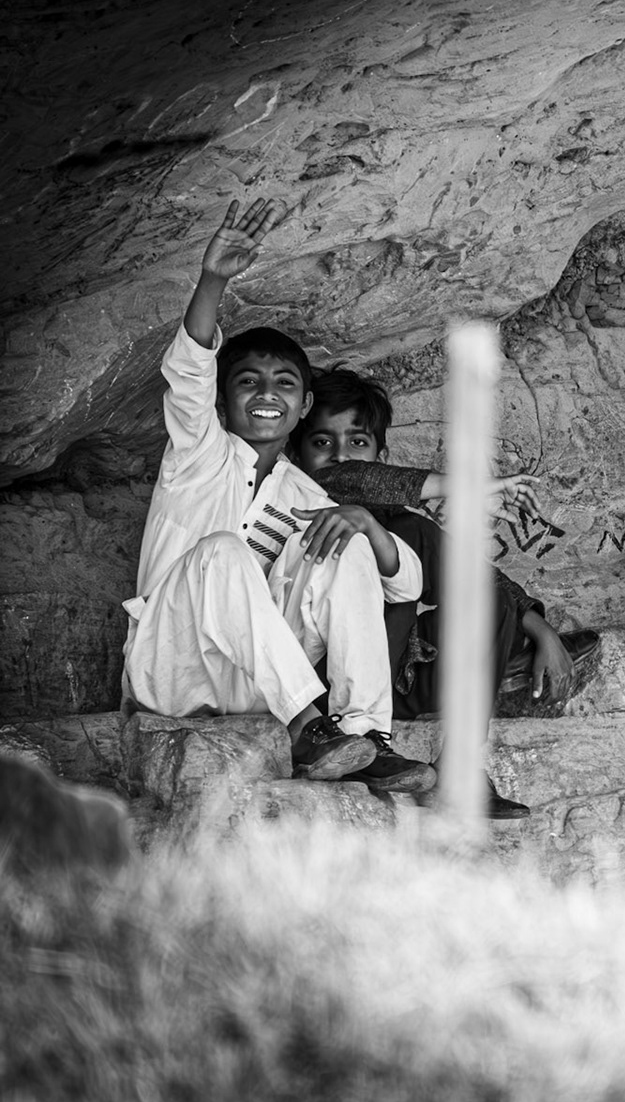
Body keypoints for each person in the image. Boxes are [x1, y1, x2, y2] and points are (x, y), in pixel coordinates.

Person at [120, 199, 435, 792]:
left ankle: (365, 736)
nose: (267, 394)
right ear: (224, 400)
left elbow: (406, 587)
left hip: (255, 683)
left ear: (304, 404)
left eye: (284, 384)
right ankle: (307, 729)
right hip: (170, 670)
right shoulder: (197, 453)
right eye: (249, 382)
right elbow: (188, 372)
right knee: (223, 551)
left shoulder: (305, 492)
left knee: (345, 538)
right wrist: (213, 279)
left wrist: (368, 526)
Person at [291, 368, 602, 819]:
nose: (340, 456)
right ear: (295, 452)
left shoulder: (398, 520)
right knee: (411, 534)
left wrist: (543, 630)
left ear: (383, 456)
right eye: (322, 442)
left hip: (398, 674)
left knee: (483, 597)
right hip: (324, 687)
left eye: (357, 442)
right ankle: (505, 654)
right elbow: (351, 479)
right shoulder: (298, 497)